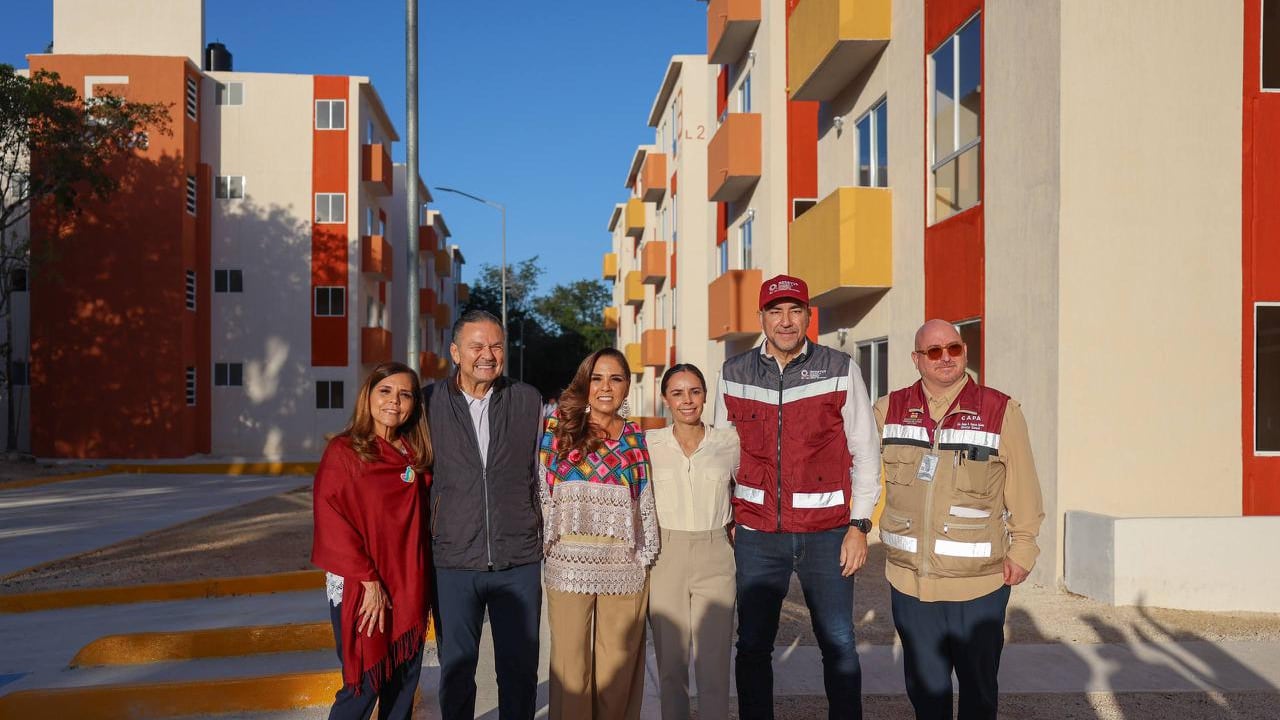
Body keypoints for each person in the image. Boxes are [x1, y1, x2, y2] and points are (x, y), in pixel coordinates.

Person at [712, 274, 880, 720]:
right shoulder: (734, 373)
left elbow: (865, 449)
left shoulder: (840, 368)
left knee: (839, 642)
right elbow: (724, 455)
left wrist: (859, 526)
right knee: (751, 645)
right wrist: (734, 518)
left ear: (808, 315)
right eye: (775, 311)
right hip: (757, 535)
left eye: (794, 311)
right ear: (762, 317)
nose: (785, 321)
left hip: (827, 535)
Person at [874, 319, 1044, 720]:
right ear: (916, 359)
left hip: (979, 586)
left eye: (954, 348)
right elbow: (857, 471)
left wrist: (1023, 549)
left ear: (965, 351)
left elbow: (1024, 487)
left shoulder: (1002, 411)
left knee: (979, 695)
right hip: (911, 585)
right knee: (926, 695)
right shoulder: (887, 409)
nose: (946, 358)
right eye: (934, 351)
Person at [426, 309, 544, 720]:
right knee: (457, 672)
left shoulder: (529, 400)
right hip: (454, 560)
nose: (488, 355)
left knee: (520, 671)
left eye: (496, 345)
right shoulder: (428, 404)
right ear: (456, 352)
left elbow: (543, 471)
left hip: (519, 559)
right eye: (477, 346)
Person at [540, 348, 660, 720]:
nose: (606, 387)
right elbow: (541, 491)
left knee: (617, 668)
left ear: (627, 387)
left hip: (624, 565)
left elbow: (644, 500)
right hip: (569, 565)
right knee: (571, 667)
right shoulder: (558, 428)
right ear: (585, 383)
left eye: (616, 378)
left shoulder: (639, 437)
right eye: (597, 378)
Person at [311, 361, 433, 720]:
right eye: (386, 391)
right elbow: (331, 517)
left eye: (405, 394)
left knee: (403, 684)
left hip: (408, 583)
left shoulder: (415, 455)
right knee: (363, 683)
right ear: (369, 397)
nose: (395, 401)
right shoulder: (345, 452)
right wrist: (367, 580)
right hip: (362, 585)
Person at [646, 363, 738, 720]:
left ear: (705, 395)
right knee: (672, 665)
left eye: (695, 391)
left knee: (714, 665)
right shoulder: (650, 444)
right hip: (664, 557)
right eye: (678, 393)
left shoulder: (729, 442)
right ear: (665, 398)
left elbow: (747, 493)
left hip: (716, 555)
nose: (687, 401)